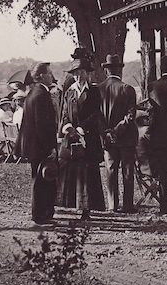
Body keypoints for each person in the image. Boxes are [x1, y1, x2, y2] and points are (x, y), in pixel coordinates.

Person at [59, 56, 104, 216]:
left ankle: (87, 208)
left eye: (82, 72)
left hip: (88, 137)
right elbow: (64, 113)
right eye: (76, 73)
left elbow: (96, 114)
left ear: (87, 74)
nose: (79, 76)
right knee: (72, 173)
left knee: (88, 173)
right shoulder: (69, 92)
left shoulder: (94, 91)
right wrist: (68, 127)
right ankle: (73, 205)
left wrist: (81, 129)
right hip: (71, 138)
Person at [17, 62, 59, 225]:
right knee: (42, 181)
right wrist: (50, 147)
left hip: (34, 145)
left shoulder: (34, 92)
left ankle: (42, 213)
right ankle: (40, 215)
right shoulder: (41, 94)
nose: (51, 76)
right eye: (49, 73)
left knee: (40, 179)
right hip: (40, 146)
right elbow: (43, 125)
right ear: (41, 75)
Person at [97, 54, 138, 213]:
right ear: (120, 70)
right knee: (128, 172)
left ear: (106, 70)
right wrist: (117, 130)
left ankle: (112, 204)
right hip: (126, 138)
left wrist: (107, 132)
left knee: (110, 171)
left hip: (108, 139)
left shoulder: (98, 89)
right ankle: (128, 205)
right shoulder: (127, 89)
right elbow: (130, 115)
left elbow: (97, 116)